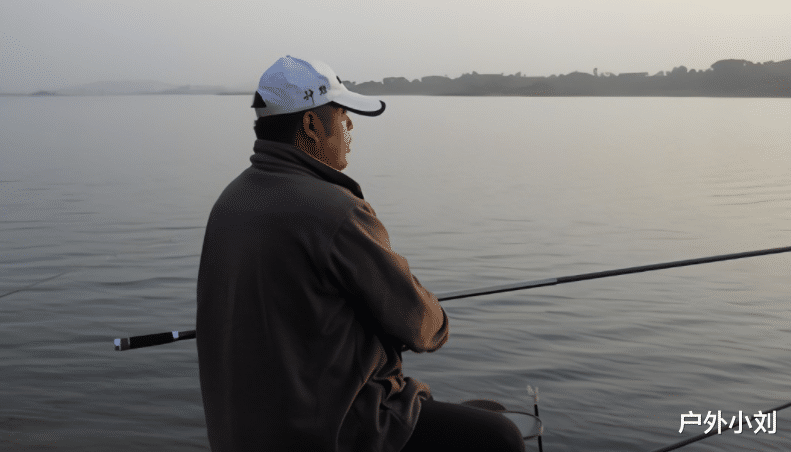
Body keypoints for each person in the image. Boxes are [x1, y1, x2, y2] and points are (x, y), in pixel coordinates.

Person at [196, 55, 524, 452]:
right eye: (343, 113)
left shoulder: (230, 202)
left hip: (243, 433)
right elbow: (424, 328)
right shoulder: (333, 210)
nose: (350, 125)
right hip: (334, 431)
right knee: (500, 435)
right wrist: (432, 316)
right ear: (312, 125)